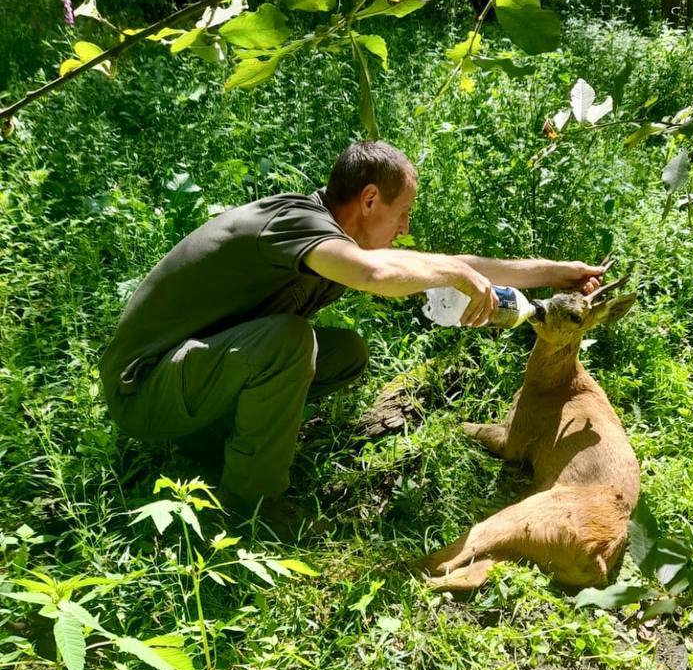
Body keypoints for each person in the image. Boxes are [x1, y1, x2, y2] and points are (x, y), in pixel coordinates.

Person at [100, 140, 608, 536]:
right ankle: (249, 504)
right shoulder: (295, 222)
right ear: (369, 200)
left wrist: (557, 274)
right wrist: (450, 271)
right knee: (288, 341)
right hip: (144, 390)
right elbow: (376, 275)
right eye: (402, 213)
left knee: (344, 355)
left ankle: (217, 441)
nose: (405, 229)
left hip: (192, 375)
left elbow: (459, 266)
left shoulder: (333, 236)